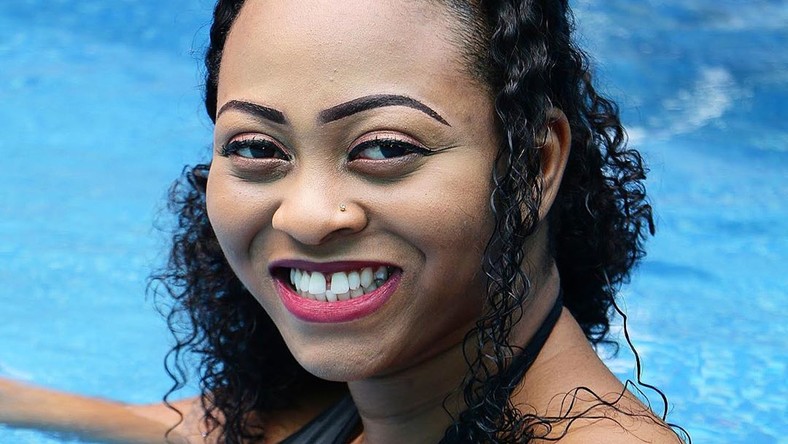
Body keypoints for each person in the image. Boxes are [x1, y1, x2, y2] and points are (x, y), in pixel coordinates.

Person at [0, 0, 690, 443]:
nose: (306, 216)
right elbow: (194, 429)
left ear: (533, 166)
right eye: (257, 148)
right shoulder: (370, 397)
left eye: (384, 148)